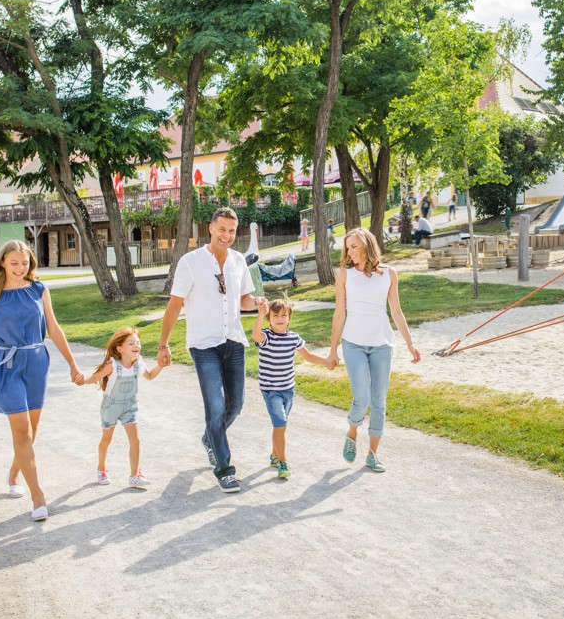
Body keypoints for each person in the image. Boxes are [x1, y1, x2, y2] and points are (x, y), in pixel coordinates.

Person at [0, 240, 82, 521]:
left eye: (24, 263)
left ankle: (14, 472)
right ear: (2, 263)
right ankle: (38, 496)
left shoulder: (39, 289)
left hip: (36, 362)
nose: (20, 268)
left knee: (31, 430)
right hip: (7, 365)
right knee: (22, 431)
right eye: (14, 263)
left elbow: (53, 328)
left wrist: (72, 364)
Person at [158, 207, 265, 493]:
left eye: (232, 231)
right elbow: (175, 305)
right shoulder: (190, 262)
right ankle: (225, 470)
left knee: (235, 405)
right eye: (222, 230)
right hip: (204, 345)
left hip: (234, 341)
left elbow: (244, 300)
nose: (227, 235)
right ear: (211, 228)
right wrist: (163, 344)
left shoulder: (239, 261)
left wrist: (258, 303)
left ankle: (209, 438)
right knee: (215, 407)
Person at [327, 228, 420, 472]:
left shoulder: (389, 273)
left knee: (379, 400)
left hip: (382, 343)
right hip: (353, 343)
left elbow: (396, 311)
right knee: (362, 398)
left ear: (367, 245)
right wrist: (333, 349)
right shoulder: (345, 274)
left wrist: (410, 343)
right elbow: (339, 313)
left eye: (354, 246)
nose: (349, 251)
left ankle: (372, 454)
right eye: (347, 247)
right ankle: (352, 432)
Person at [252, 298, 332, 479]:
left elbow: (308, 356)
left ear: (289, 318)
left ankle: (274, 455)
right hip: (270, 390)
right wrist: (260, 315)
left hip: (288, 389)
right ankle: (283, 462)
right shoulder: (267, 336)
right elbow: (256, 336)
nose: (280, 319)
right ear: (269, 319)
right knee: (280, 423)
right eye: (275, 316)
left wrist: (326, 362)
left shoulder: (294, 338)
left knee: (280, 425)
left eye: (284, 315)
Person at [82, 327, 164, 490]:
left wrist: (160, 365)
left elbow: (149, 376)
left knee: (135, 440)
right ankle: (101, 469)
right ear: (120, 348)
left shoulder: (138, 364)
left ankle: (134, 476)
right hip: (111, 407)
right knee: (106, 439)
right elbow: (95, 377)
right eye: (131, 343)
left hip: (129, 407)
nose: (136, 346)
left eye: (138, 343)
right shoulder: (113, 364)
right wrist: (81, 380)